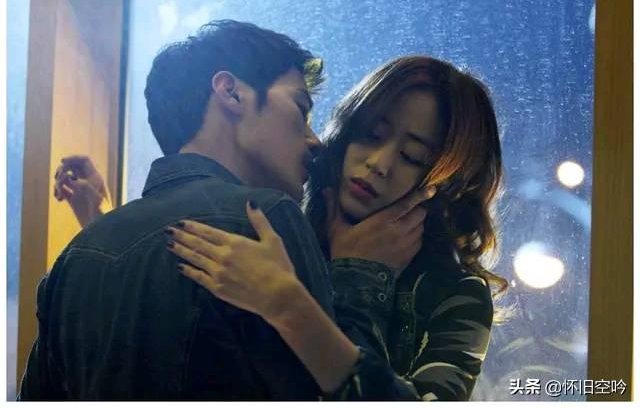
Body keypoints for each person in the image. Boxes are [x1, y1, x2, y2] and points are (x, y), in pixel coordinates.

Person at [52, 55, 509, 401]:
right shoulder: (281, 235)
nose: (378, 163)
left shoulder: (455, 293)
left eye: (412, 157)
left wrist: (350, 280)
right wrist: (101, 222)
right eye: (371, 133)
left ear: (448, 185)